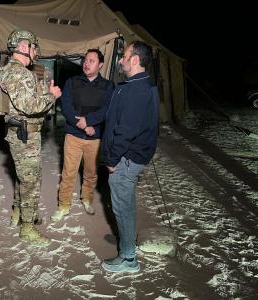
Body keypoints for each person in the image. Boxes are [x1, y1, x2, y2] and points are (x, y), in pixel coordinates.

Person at [0, 29, 62, 246]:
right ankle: (27, 228)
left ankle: (17, 213)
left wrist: (44, 94)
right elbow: (29, 106)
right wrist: (52, 97)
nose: (36, 52)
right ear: (24, 47)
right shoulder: (19, 72)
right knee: (31, 182)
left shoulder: (9, 70)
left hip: (19, 133)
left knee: (22, 177)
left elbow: (24, 102)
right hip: (25, 136)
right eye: (34, 47)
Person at [101, 41, 159, 273]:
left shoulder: (138, 89)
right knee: (126, 206)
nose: (121, 60)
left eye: (124, 56)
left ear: (135, 60)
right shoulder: (137, 84)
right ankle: (127, 241)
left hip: (125, 160)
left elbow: (126, 131)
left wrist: (112, 160)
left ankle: (128, 259)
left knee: (122, 208)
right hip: (128, 158)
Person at [50, 49, 115, 222]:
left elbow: (108, 109)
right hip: (73, 135)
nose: (86, 64)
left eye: (91, 61)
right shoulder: (72, 82)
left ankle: (87, 199)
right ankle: (63, 205)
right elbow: (66, 105)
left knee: (91, 172)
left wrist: (90, 122)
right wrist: (82, 124)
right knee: (68, 172)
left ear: (100, 65)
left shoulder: (108, 86)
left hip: (95, 138)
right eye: (85, 60)